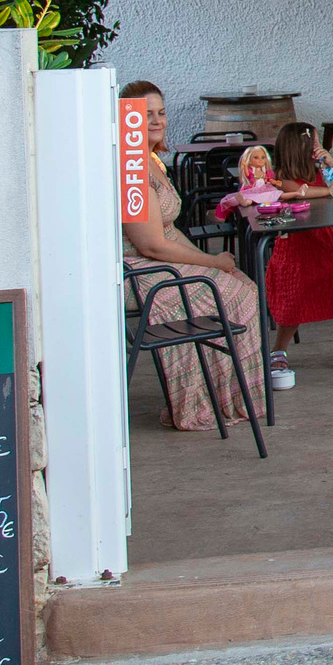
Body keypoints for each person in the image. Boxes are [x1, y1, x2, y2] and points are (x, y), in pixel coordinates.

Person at [120, 81, 271, 432]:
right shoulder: (129, 172)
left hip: (157, 263)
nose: (156, 121)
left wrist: (208, 261)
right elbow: (152, 245)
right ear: (126, 120)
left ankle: (229, 395)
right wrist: (213, 262)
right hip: (137, 272)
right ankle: (206, 400)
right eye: (145, 114)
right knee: (237, 294)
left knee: (242, 285)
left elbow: (169, 234)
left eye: (160, 112)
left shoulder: (150, 161)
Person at [260, 122, 333, 390]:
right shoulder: (282, 175)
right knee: (294, 292)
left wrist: (331, 161)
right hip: (296, 244)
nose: (318, 147)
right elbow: (299, 193)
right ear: (300, 146)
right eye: (315, 142)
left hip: (323, 239)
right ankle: (279, 349)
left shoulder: (320, 168)